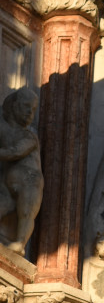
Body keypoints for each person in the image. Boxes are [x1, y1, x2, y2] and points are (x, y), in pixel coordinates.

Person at [0, 89, 43, 256]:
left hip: (30, 181)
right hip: (8, 182)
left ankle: (19, 243)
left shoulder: (30, 137)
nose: (29, 113)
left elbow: (15, 152)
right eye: (26, 107)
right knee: (5, 204)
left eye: (32, 110)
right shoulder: (7, 128)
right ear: (13, 106)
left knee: (26, 213)